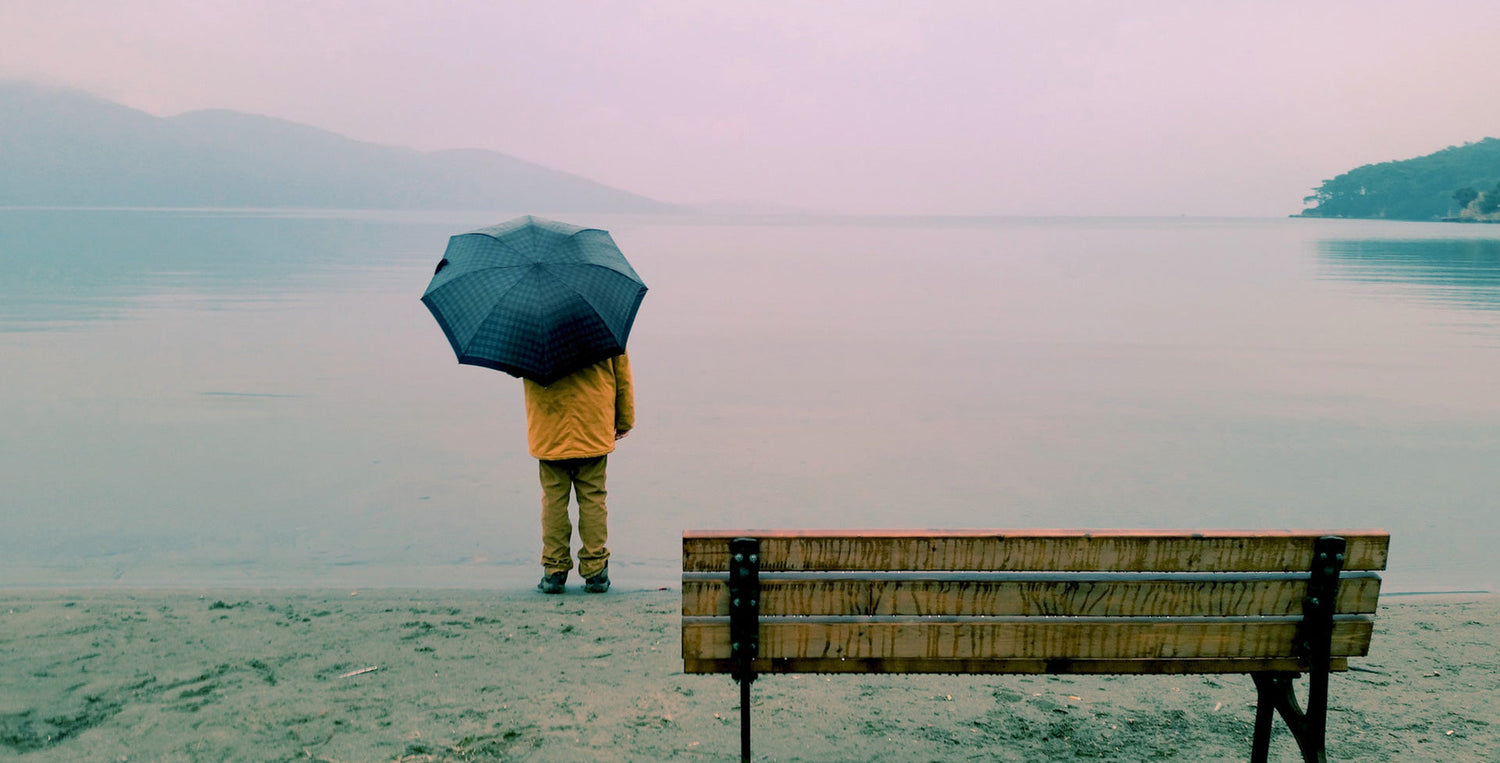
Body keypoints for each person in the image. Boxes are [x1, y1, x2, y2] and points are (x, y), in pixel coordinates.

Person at [524, 353, 634, 594]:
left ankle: (554, 571)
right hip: (592, 422)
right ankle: (596, 571)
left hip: (549, 425)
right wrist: (624, 419)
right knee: (593, 497)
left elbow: (519, 366)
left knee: (553, 500)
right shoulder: (602, 323)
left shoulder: (533, 330)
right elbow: (622, 375)